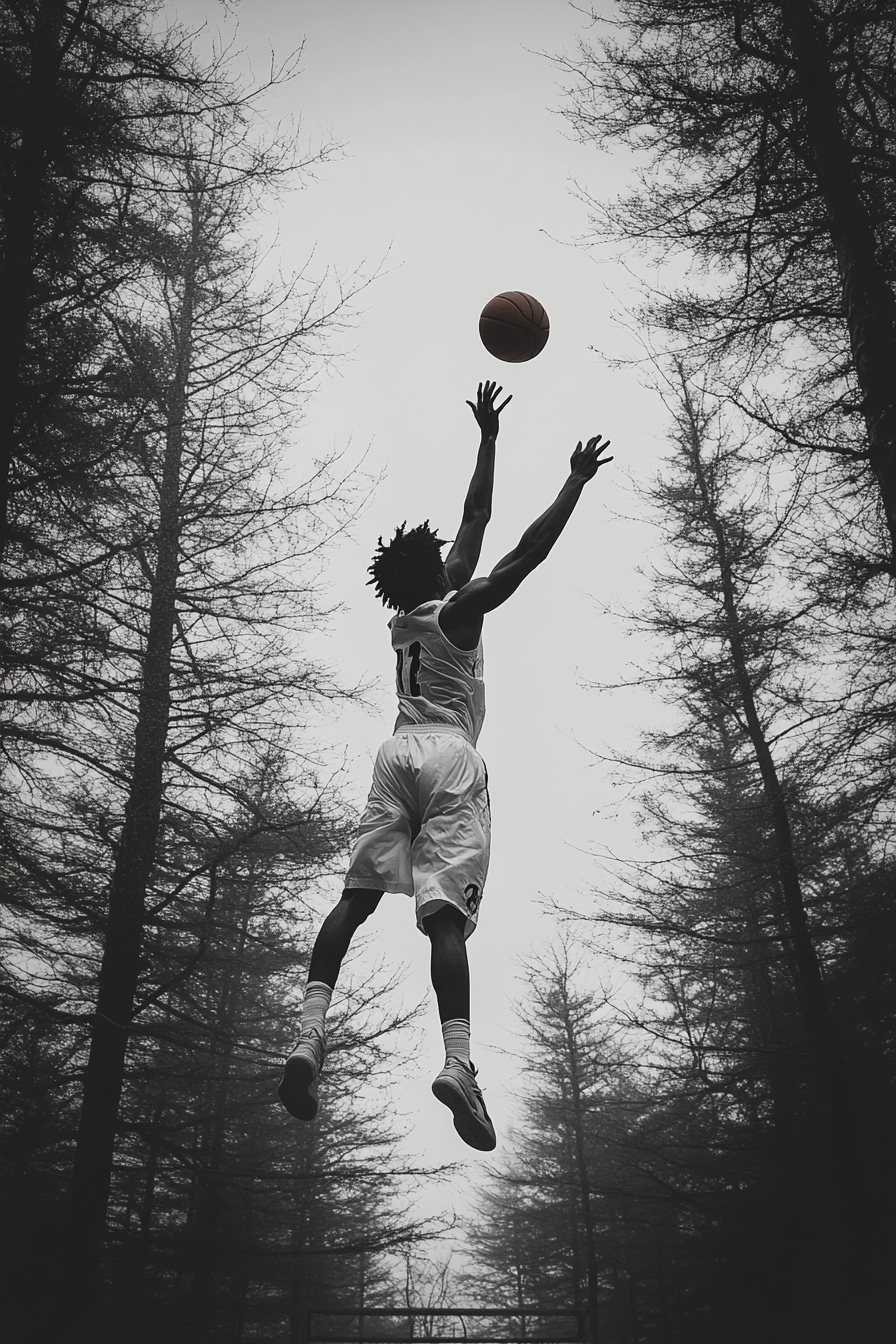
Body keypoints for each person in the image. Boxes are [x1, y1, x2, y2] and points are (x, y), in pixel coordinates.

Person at [279, 380, 612, 1149]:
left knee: (355, 900)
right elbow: (519, 550)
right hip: (450, 759)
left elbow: (472, 520)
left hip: (392, 754)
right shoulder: (459, 610)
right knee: (444, 920)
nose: (456, 557)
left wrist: (489, 437)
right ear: (440, 574)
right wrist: (574, 481)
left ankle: (307, 1036)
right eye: (447, 560)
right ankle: (458, 1064)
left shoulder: (403, 623)